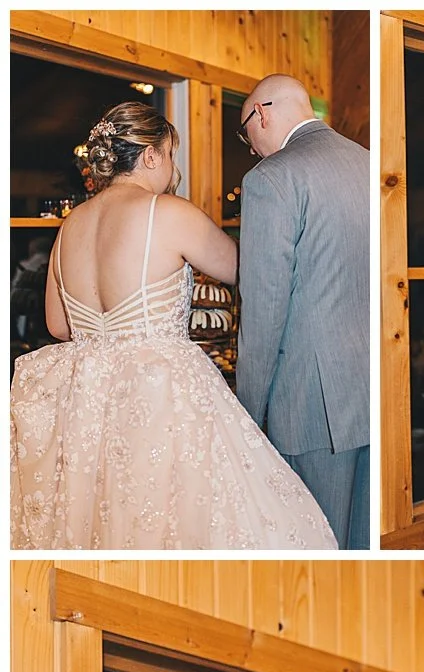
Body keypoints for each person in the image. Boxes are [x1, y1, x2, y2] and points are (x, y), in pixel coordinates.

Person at [10, 102, 336, 550]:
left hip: (83, 401)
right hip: (159, 394)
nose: (172, 166)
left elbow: (59, 326)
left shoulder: (71, 226)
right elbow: (252, 271)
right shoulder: (168, 212)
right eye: (170, 154)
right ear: (149, 156)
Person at [236, 75, 370, 549]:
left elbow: (264, 310)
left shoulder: (271, 178)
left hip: (307, 403)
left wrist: (246, 412)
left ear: (263, 115)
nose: (250, 148)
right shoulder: (370, 165)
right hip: (372, 393)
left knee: (310, 547)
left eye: (245, 132)